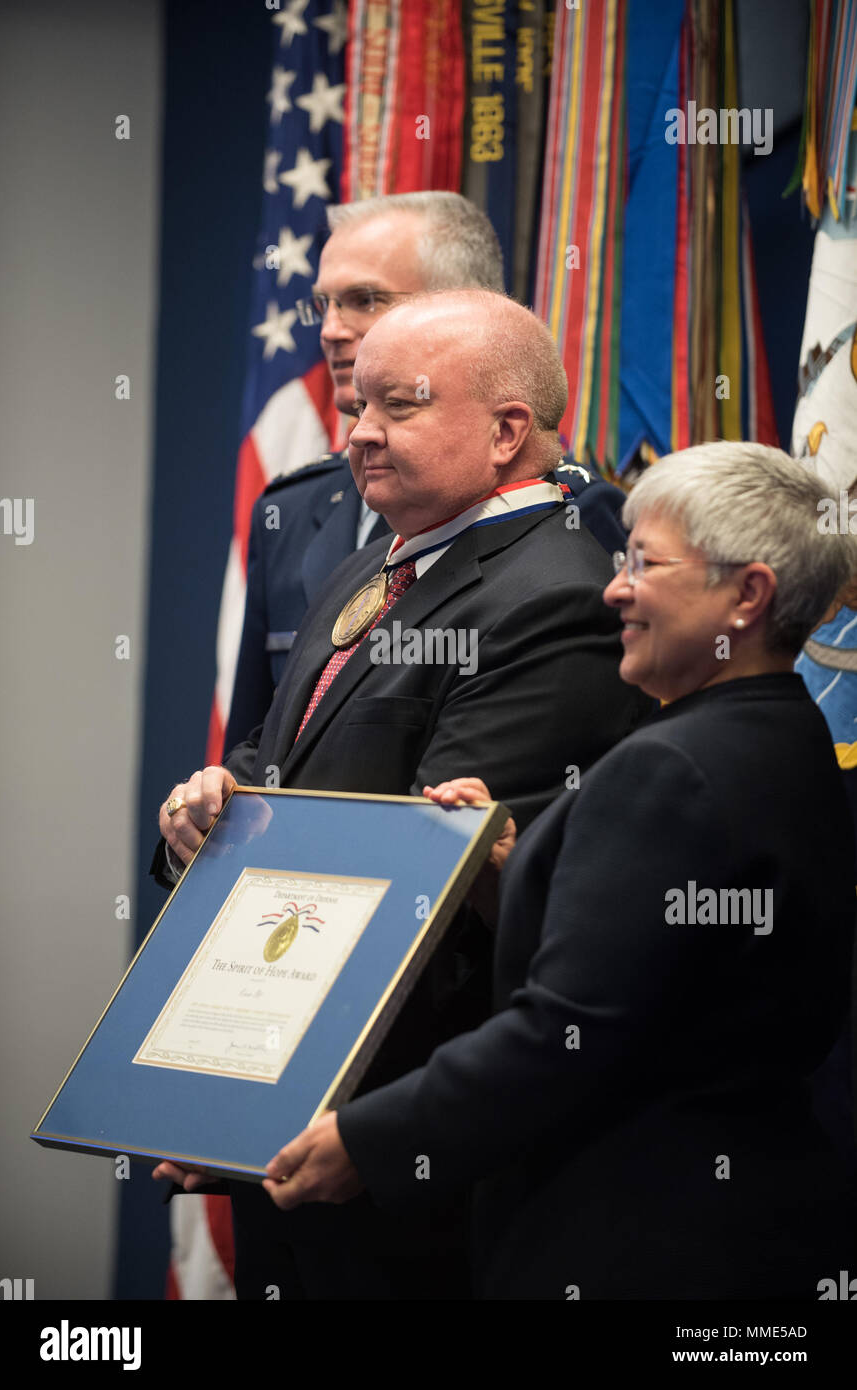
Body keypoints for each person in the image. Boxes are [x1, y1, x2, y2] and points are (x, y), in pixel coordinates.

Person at [257, 441, 857, 1301]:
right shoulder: (786, 737)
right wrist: (511, 876)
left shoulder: (670, 769)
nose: (613, 588)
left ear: (747, 595)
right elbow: (667, 975)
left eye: (644, 565)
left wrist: (362, 1141)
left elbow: (565, 1035)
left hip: (635, 1237)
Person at [152, 289, 653, 1299]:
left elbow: (431, 888)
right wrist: (202, 815)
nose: (363, 434)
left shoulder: (552, 594)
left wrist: (270, 1100)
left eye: (400, 405)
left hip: (398, 1169)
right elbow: (266, 767)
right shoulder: (371, 567)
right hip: (294, 1135)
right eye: (357, 408)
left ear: (509, 430)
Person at [224, 191, 628, 749]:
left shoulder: (568, 515)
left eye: (364, 300)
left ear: (458, 307)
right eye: (325, 305)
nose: (331, 330)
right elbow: (260, 742)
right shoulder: (290, 511)